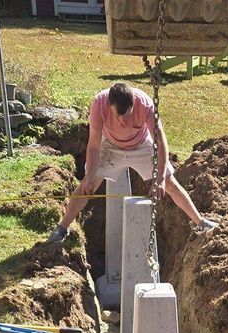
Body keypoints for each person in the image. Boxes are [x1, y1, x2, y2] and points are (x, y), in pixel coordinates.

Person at [45, 82, 217, 244]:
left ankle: (201, 223)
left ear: (134, 104)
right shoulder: (99, 103)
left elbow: (161, 144)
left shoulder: (146, 105)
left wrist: (161, 180)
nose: (123, 123)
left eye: (127, 116)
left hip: (141, 145)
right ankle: (62, 229)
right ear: (109, 105)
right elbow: (93, 146)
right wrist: (90, 175)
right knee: (87, 186)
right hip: (110, 146)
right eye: (118, 117)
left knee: (171, 183)